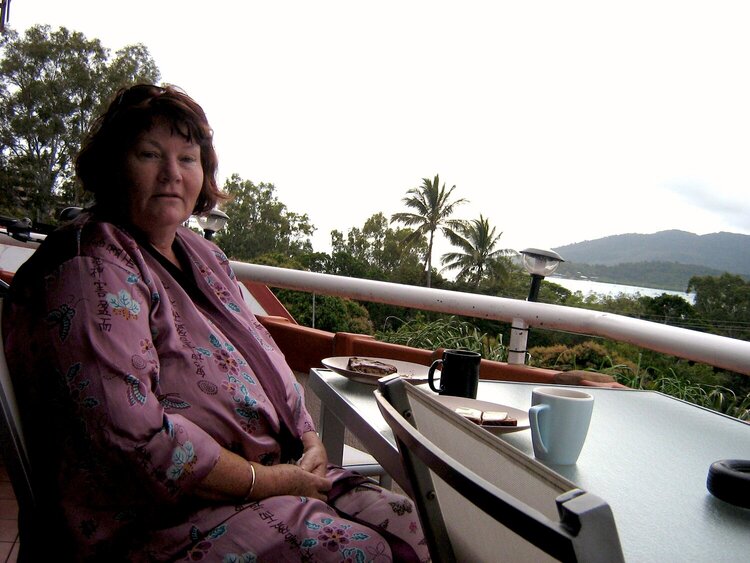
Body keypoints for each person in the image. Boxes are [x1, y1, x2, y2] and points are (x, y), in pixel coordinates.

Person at [2, 84, 428, 562]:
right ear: (112, 164)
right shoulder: (90, 266)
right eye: (149, 154)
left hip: (267, 476)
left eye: (188, 159)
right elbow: (133, 440)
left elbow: (264, 353)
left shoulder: (201, 253)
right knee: (360, 552)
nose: (171, 174)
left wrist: (308, 438)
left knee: (411, 523)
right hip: (157, 519)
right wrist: (268, 482)